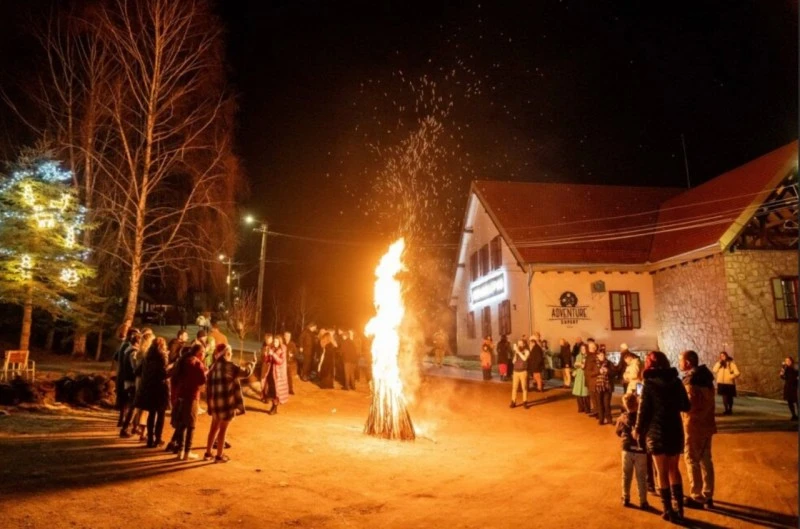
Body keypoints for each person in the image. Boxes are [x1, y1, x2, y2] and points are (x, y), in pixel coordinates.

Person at [634, 351, 691, 522]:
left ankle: (667, 510)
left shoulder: (649, 384)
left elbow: (643, 411)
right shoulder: (676, 382)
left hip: (656, 431)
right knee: (674, 469)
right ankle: (679, 508)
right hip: (674, 429)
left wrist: (638, 429)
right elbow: (686, 406)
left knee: (662, 472)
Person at [679, 350, 717, 510]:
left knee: (692, 460)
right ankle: (708, 495)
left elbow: (689, 405)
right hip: (707, 423)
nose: (679, 362)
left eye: (681, 360)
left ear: (688, 362)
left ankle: (697, 496)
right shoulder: (707, 378)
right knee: (706, 459)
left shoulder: (691, 380)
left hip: (693, 425)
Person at [205, 344, 255, 463]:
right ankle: (219, 456)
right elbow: (247, 373)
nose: (231, 355)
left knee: (213, 428)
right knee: (223, 429)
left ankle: (208, 453)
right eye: (230, 352)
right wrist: (252, 363)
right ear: (226, 353)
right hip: (226, 403)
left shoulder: (213, 367)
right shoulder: (230, 366)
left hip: (215, 403)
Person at [170, 343, 207, 460]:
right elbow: (202, 380)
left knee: (181, 424)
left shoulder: (183, 361)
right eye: (203, 353)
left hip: (181, 395)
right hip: (191, 396)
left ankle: (180, 451)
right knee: (191, 424)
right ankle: (187, 451)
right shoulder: (196, 364)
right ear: (199, 353)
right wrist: (206, 372)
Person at [616, 392, 650, 510]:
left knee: (626, 475)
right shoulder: (642, 419)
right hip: (641, 450)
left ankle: (625, 497)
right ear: (637, 403)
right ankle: (643, 501)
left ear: (625, 405)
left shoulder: (622, 418)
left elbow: (618, 432)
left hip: (627, 449)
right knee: (641, 476)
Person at [137, 337, 170, 448]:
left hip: (149, 387)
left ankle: (150, 439)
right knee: (160, 414)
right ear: (162, 346)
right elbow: (163, 373)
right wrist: (171, 369)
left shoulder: (147, 357)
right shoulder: (162, 357)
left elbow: (139, 370)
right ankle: (158, 438)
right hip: (160, 388)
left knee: (151, 414)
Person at [118, 332, 141, 438]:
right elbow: (135, 368)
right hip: (131, 381)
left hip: (127, 380)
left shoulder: (128, 350)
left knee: (131, 405)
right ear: (137, 342)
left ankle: (129, 426)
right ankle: (125, 428)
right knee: (133, 405)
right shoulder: (133, 352)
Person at [262, 335, 289, 414]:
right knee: (270, 389)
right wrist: (266, 355)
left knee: (276, 392)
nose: (275, 343)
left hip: (278, 374)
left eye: (276, 341)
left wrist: (273, 354)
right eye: (274, 341)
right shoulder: (272, 348)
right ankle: (273, 406)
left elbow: (280, 361)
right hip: (270, 372)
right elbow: (267, 361)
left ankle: (274, 407)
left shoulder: (283, 350)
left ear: (280, 342)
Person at [595, 348, 613, 425]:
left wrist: (608, 371)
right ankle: (601, 419)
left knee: (606, 403)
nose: (602, 356)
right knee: (599, 403)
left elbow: (613, 372)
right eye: (600, 355)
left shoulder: (609, 363)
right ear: (597, 355)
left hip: (607, 386)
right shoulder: (594, 363)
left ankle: (609, 419)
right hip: (598, 386)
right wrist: (598, 371)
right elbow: (590, 373)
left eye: (603, 355)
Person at [510, 339, 529, 408]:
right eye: (518, 344)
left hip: (523, 372)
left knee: (524, 387)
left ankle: (525, 402)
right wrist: (516, 353)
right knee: (514, 387)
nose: (519, 345)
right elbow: (513, 362)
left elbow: (524, 359)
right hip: (516, 372)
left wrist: (518, 352)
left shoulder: (526, 351)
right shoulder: (517, 352)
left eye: (520, 343)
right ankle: (513, 401)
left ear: (524, 344)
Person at [572, 343, 591, 413]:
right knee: (578, 392)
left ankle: (587, 408)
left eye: (584, 348)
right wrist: (576, 368)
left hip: (585, 375)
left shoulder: (588, 356)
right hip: (579, 376)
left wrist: (583, 365)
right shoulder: (578, 356)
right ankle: (580, 407)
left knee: (585, 393)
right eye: (582, 349)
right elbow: (575, 365)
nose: (583, 350)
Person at [584, 341, 600, 417]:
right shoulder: (589, 356)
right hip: (590, 380)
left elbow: (596, 369)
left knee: (596, 398)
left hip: (593, 380)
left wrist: (589, 373)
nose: (589, 348)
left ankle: (598, 412)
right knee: (593, 397)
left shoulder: (594, 356)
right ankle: (596, 411)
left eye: (590, 347)